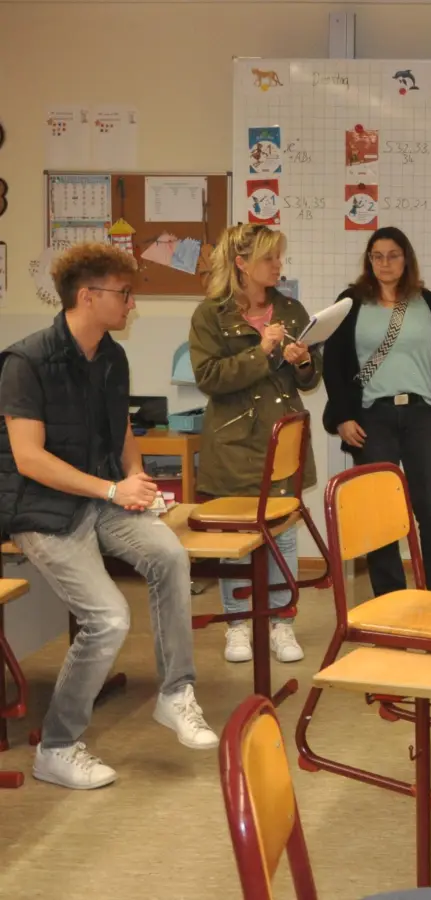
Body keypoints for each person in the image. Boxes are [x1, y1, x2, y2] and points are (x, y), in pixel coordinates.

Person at [0, 243, 217, 789]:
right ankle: (57, 746)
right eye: (124, 294)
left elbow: (120, 427)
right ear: (87, 296)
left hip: (101, 498)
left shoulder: (111, 355)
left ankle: (174, 694)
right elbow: (29, 458)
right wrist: (112, 488)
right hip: (41, 510)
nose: (132, 303)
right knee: (110, 618)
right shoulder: (25, 362)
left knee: (169, 554)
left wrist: (138, 483)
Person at [189, 223, 320, 666]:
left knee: (281, 532)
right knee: (237, 536)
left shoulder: (291, 309)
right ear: (242, 264)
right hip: (233, 441)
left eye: (279, 257)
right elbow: (208, 379)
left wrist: (303, 364)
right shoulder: (211, 314)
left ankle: (283, 622)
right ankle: (238, 624)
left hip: (283, 437)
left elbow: (311, 377)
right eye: (269, 258)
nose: (278, 265)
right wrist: (260, 352)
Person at [322, 227, 431, 596]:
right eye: (377, 256)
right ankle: (390, 597)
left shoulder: (427, 303)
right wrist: (342, 417)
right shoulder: (350, 302)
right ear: (369, 260)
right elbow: (333, 365)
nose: (385, 263)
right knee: (381, 511)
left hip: (422, 416)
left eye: (393, 255)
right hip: (372, 418)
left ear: (407, 259)